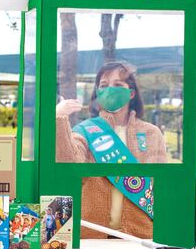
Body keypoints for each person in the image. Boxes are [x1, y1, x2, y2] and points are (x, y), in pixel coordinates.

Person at [55, 61, 167, 239]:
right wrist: (59, 118)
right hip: (93, 234)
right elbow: (69, 164)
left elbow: (161, 185)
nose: (110, 90)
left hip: (139, 235)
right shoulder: (85, 131)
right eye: (104, 85)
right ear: (98, 93)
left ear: (131, 93)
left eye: (118, 84)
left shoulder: (151, 134)